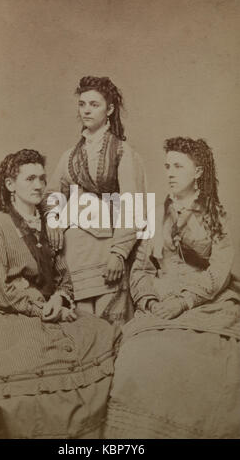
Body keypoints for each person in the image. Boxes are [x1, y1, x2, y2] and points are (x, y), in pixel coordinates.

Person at [0, 149, 119, 439]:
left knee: (103, 333)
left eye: (42, 178)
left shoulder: (49, 225)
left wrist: (60, 298)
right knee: (22, 369)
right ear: (10, 185)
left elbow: (63, 277)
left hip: (49, 307)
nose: (38, 185)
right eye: (30, 178)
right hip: (6, 312)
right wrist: (42, 308)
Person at [105, 137, 240, 439]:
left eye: (178, 166)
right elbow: (140, 268)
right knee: (138, 357)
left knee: (207, 362)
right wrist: (150, 302)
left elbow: (219, 269)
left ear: (198, 172)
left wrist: (186, 301)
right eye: (167, 166)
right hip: (159, 301)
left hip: (204, 303)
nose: (170, 172)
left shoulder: (216, 214)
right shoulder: (155, 214)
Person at [42, 76, 147, 327]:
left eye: (94, 104)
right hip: (74, 254)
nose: (86, 110)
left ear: (109, 109)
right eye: (82, 104)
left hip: (106, 251)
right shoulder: (70, 155)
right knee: (81, 328)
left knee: (109, 329)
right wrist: (53, 219)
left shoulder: (123, 152)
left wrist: (119, 253)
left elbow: (133, 205)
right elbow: (52, 194)